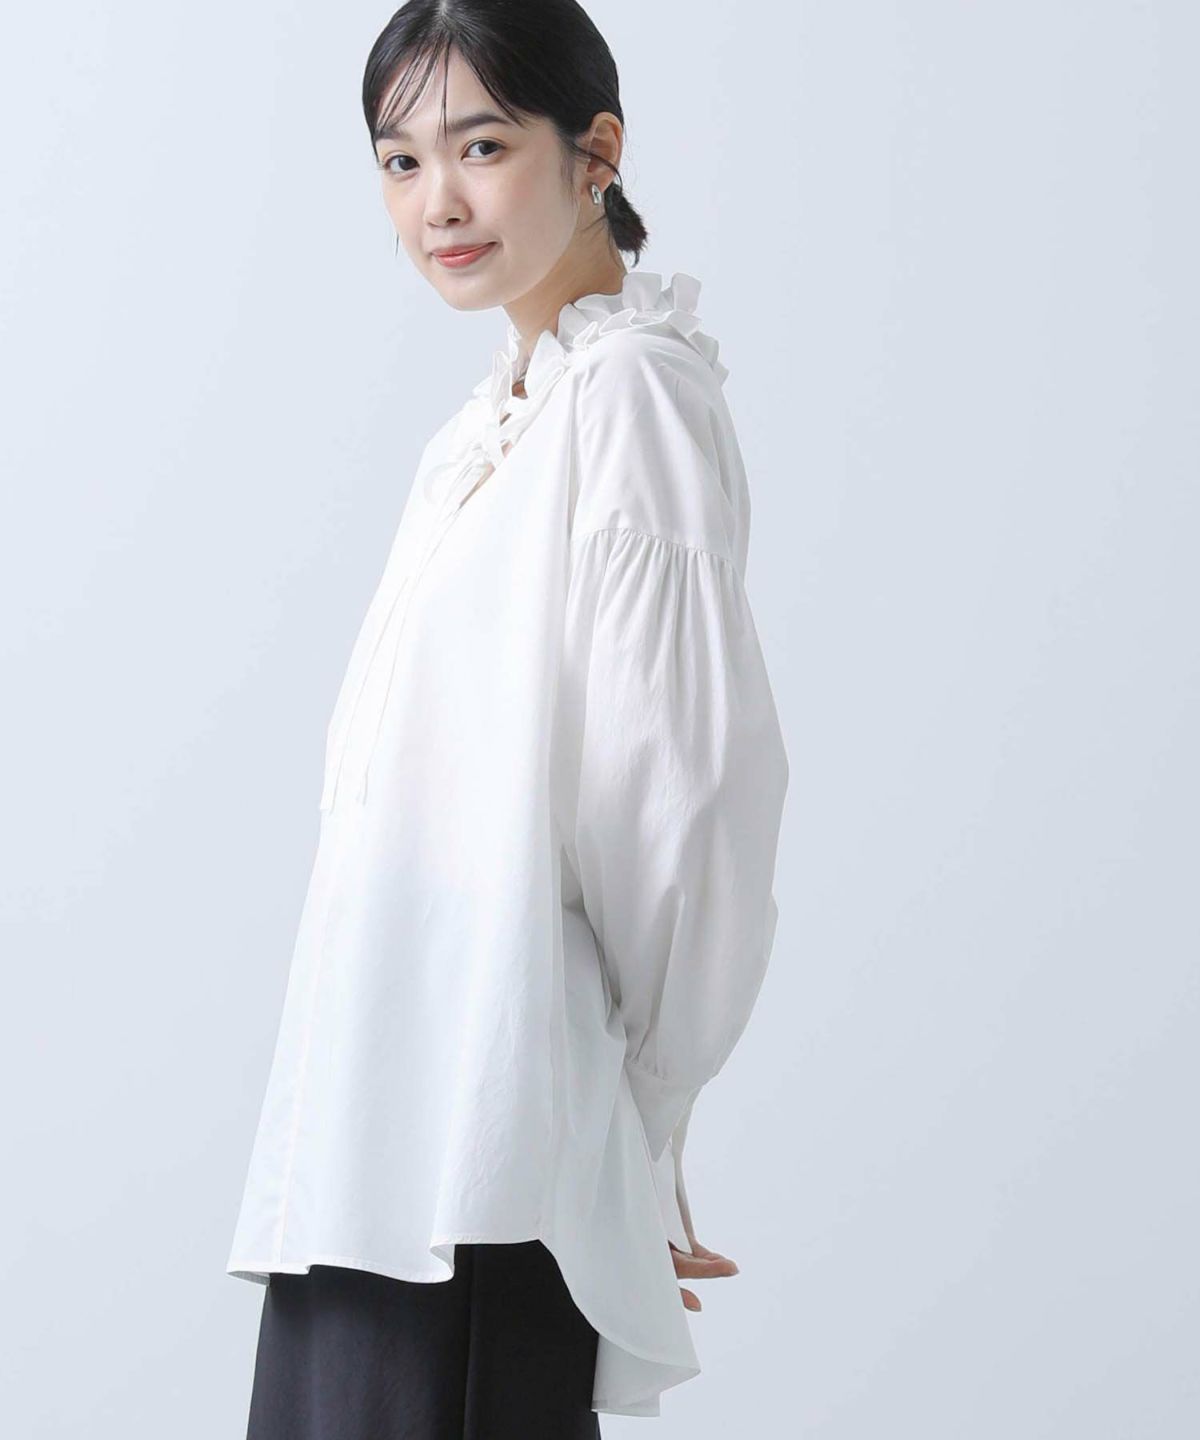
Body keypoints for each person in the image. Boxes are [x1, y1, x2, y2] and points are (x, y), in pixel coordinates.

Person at [227, 1, 789, 1433]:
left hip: (485, 1153)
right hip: (375, 1146)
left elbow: (685, 797)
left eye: (480, 147)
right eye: (400, 161)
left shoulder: (632, 400)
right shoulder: (495, 425)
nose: (438, 203)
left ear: (595, 150)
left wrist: (637, 1126)